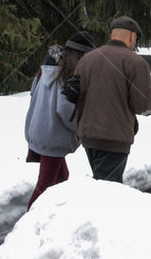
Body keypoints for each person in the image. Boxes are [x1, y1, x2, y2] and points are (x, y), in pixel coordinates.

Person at [73, 16, 151, 183]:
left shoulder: (87, 59)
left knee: (101, 184)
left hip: (88, 135)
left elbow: (76, 95)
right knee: (107, 191)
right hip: (115, 138)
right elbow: (141, 106)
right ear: (132, 37)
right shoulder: (136, 62)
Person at [24, 30, 96, 209]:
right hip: (52, 137)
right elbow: (65, 109)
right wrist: (80, 129)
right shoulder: (67, 77)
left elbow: (33, 94)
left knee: (62, 177)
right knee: (45, 185)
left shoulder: (46, 70)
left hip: (38, 131)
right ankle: (28, 222)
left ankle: (52, 215)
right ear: (81, 55)